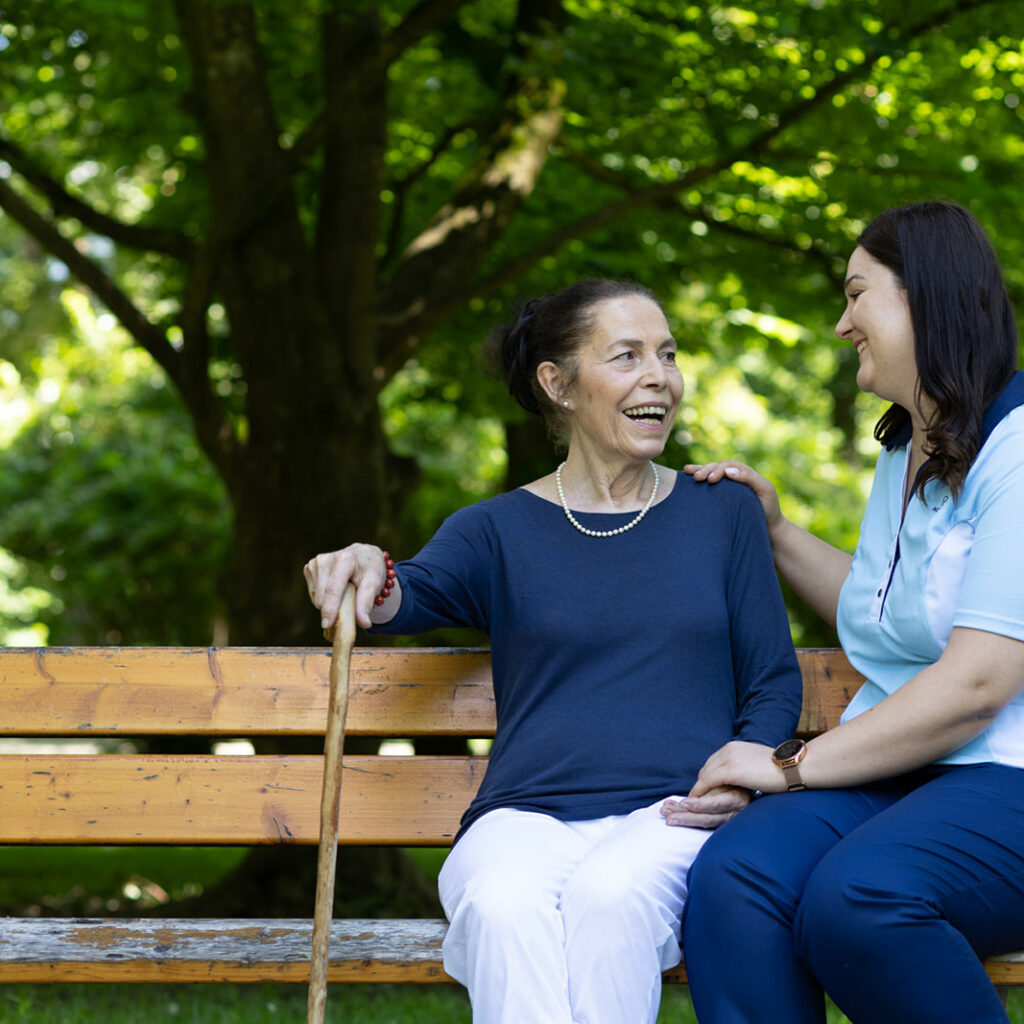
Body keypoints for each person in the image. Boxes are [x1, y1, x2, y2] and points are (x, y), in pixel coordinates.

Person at [304, 278, 802, 1024]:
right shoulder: (494, 529)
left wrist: (745, 772)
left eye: (667, 355)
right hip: (523, 818)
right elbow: (403, 596)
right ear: (557, 384)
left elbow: (771, 680)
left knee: (610, 897)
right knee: (502, 905)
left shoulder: (721, 512)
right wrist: (360, 563)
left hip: (672, 816)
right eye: (627, 356)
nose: (659, 377)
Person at [663, 201, 1024, 1024]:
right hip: (900, 770)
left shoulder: (1019, 447)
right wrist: (778, 532)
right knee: (734, 880)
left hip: (1010, 778)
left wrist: (786, 767)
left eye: (858, 295)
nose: (840, 323)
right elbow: (884, 615)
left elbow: (978, 682)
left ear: (924, 298)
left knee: (859, 898)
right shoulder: (907, 445)